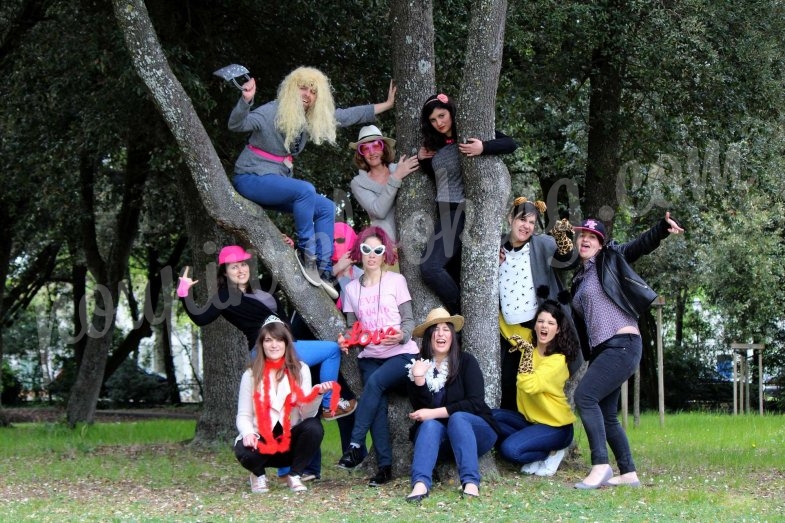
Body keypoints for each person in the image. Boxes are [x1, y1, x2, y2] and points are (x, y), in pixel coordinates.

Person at [228, 66, 396, 298]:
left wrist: (385, 105)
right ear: (291, 90)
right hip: (250, 178)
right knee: (305, 190)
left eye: (313, 91)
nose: (307, 94)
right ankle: (308, 255)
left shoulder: (308, 118)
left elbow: (345, 116)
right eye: (303, 88)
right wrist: (246, 100)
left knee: (326, 207)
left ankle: (324, 270)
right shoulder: (272, 111)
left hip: (275, 183)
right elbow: (237, 125)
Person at [570, 213, 684, 489]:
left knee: (584, 397)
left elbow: (638, 246)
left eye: (592, 236)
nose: (585, 239)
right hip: (603, 349)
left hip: (623, 342)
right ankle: (629, 472)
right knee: (607, 413)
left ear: (600, 243)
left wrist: (661, 229)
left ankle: (600, 465)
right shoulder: (579, 277)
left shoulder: (611, 258)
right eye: (582, 235)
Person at [417, 93, 518, 314]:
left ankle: (465, 312)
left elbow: (511, 143)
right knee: (451, 273)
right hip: (442, 212)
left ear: (451, 111)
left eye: (442, 116)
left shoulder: (469, 134)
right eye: (433, 120)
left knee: (430, 268)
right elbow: (441, 177)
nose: (439, 123)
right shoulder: (437, 143)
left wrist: (484, 147)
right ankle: (460, 324)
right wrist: (424, 159)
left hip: (460, 211)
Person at [336, 226, 419, 487]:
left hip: (401, 354)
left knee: (374, 384)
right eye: (366, 249)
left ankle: (354, 444)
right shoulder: (350, 289)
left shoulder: (397, 281)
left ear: (385, 254)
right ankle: (384, 468)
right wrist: (345, 339)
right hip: (370, 356)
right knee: (377, 404)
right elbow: (352, 327)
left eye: (378, 250)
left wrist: (401, 336)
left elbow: (409, 321)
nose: (372, 255)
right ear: (359, 252)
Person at [404, 308, 500, 502]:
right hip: (440, 441)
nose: (441, 334)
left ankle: (471, 483)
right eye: (436, 330)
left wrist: (434, 413)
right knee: (429, 425)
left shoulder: (466, 362)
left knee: (458, 417)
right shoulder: (418, 366)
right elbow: (422, 410)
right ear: (429, 337)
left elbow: (475, 403)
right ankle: (420, 484)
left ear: (452, 336)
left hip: (475, 433)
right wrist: (419, 378)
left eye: (446, 329)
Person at [233, 316, 335, 493]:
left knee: (314, 427)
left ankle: (295, 475)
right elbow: (243, 415)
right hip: (262, 441)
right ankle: (257, 475)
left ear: (287, 343)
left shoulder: (301, 369)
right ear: (262, 344)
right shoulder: (250, 374)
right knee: (243, 447)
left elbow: (307, 414)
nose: (274, 345)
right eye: (268, 340)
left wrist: (316, 394)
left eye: (279, 340)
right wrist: (248, 433)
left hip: (289, 441)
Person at [498, 197, 582, 410]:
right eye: (522, 219)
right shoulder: (495, 245)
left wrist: (563, 237)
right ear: (510, 218)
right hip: (507, 331)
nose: (526, 226)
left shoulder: (541, 243)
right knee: (508, 385)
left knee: (539, 386)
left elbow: (569, 260)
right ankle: (512, 436)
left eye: (532, 222)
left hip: (538, 330)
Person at [492, 301, 580, 477]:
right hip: (531, 421)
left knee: (510, 450)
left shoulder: (557, 361)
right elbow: (508, 329)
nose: (544, 326)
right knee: (490, 417)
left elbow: (529, 385)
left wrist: (525, 353)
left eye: (550, 323)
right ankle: (532, 445)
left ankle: (551, 452)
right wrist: (498, 303)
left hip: (556, 427)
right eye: (540, 321)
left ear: (559, 329)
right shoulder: (529, 342)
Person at [349, 125, 419, 241]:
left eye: (376, 146)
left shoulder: (400, 168)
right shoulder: (358, 183)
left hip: (412, 237)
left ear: (384, 148)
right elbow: (378, 211)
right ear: (360, 154)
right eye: (365, 149)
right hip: (384, 243)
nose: (371, 152)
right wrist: (396, 177)